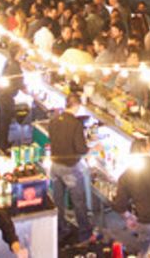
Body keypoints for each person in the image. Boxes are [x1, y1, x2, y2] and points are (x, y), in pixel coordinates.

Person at [47, 93, 93, 243]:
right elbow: (80, 148)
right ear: (77, 106)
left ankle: (61, 229)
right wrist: (92, 148)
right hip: (70, 168)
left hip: (55, 166)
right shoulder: (75, 124)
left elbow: (52, 138)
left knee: (58, 201)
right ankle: (85, 233)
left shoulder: (54, 121)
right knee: (78, 202)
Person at [0, 47, 24, 152]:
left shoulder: (8, 62)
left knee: (0, 121)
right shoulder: (16, 68)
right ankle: (3, 146)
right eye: (21, 52)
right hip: (7, 98)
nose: (22, 55)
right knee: (5, 123)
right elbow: (20, 83)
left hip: (1, 95)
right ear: (17, 53)